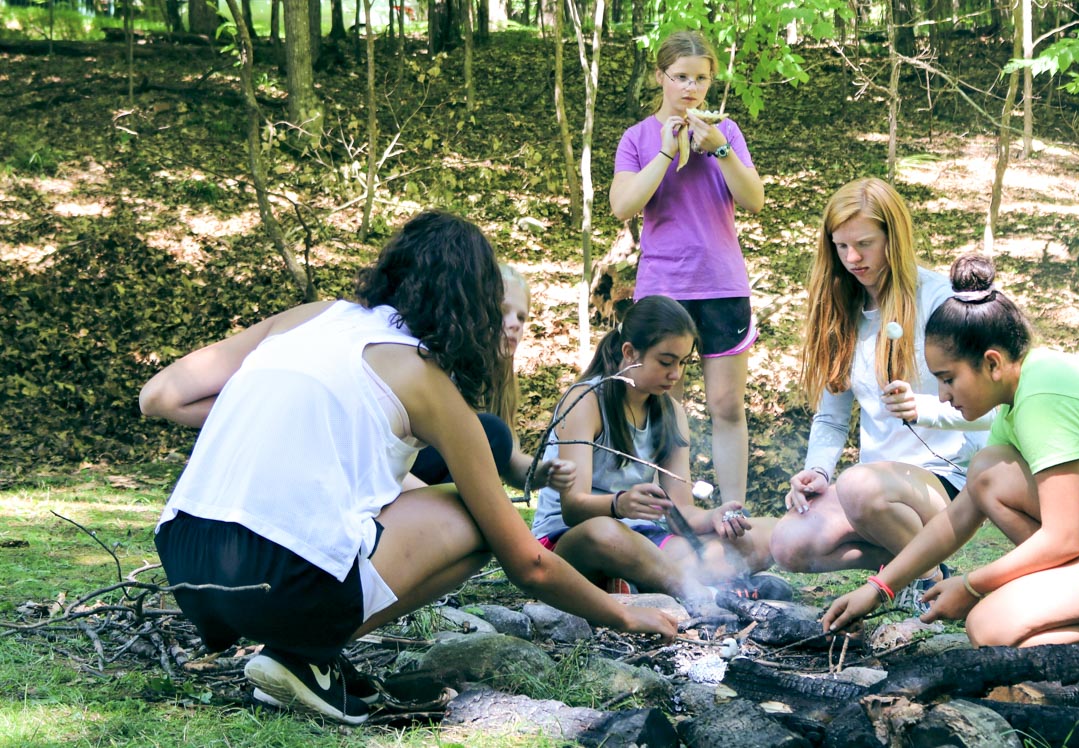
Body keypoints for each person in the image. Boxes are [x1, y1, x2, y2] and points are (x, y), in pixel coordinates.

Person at [139, 211, 676, 726]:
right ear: (474, 306)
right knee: (480, 513)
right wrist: (621, 614)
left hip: (187, 561)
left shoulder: (311, 316)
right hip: (281, 584)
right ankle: (305, 651)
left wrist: (279, 412)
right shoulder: (426, 380)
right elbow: (528, 565)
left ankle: (306, 656)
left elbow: (160, 396)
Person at [822, 254, 1079, 705]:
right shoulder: (1017, 399)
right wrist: (879, 587)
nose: (941, 395)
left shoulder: (1044, 397)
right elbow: (960, 514)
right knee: (988, 475)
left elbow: (1064, 539)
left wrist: (972, 585)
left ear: (992, 363)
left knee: (991, 628)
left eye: (947, 379)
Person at [768, 178, 990, 610]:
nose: (853, 259)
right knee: (788, 543)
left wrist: (923, 407)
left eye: (865, 244)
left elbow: (987, 403)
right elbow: (832, 416)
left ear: (894, 237)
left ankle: (925, 581)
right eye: (841, 246)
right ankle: (914, 566)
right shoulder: (842, 310)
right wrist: (817, 469)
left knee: (860, 486)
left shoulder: (939, 300)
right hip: (872, 491)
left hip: (945, 480)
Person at [530, 295, 776, 614]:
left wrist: (712, 517)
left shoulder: (671, 412)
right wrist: (619, 504)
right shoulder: (587, 400)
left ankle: (641, 581)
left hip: (643, 537)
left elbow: (680, 511)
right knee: (605, 534)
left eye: (683, 362)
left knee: (761, 536)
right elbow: (572, 509)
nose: (675, 374)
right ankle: (703, 595)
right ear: (630, 352)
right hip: (568, 539)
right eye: (665, 361)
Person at [608, 29, 765, 510]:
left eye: (700, 78)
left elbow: (754, 200)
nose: (690, 88)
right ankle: (676, 513)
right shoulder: (636, 138)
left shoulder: (728, 133)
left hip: (721, 284)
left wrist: (718, 148)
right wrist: (663, 150)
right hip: (663, 287)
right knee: (663, 406)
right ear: (661, 77)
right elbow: (623, 206)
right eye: (680, 77)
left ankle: (733, 512)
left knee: (725, 406)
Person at [410, 263, 574, 494]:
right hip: (405, 477)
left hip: (438, 493)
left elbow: (507, 457)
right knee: (492, 431)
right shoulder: (435, 363)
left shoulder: (497, 379)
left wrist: (543, 472)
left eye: (521, 317)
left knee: (496, 434)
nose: (515, 324)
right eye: (502, 311)